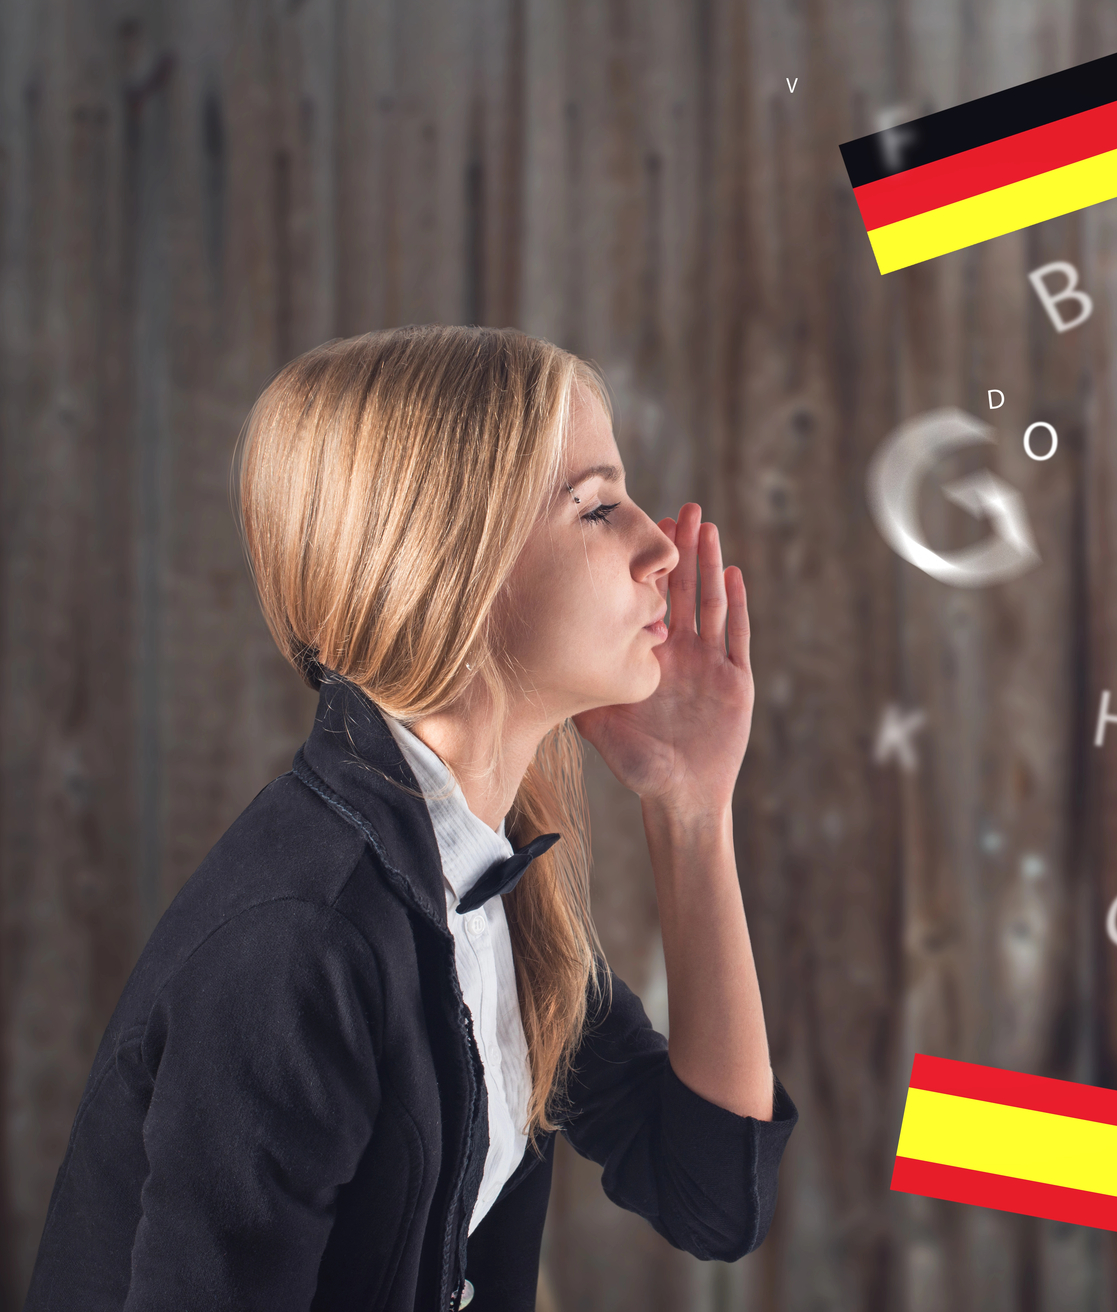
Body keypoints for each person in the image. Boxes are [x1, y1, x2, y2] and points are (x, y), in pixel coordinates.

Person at [24, 324, 796, 1311]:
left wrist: (691, 808)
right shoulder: (304, 942)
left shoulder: (487, 880)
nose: (656, 546)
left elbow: (710, 1196)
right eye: (598, 507)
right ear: (450, 570)